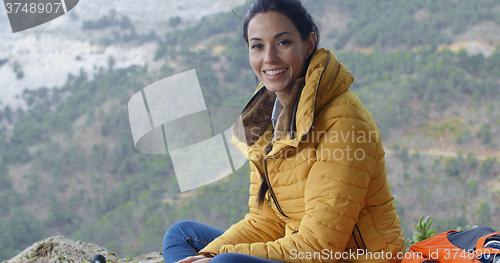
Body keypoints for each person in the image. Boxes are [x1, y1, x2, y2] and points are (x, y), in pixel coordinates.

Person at [162, 0, 405, 262]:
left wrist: (220, 255)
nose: (269, 58)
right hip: (299, 247)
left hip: (349, 256)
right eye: (257, 46)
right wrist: (208, 253)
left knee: (225, 261)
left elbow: (320, 245)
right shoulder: (265, 116)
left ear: (308, 43)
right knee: (182, 235)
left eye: (283, 43)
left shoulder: (343, 123)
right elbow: (266, 221)